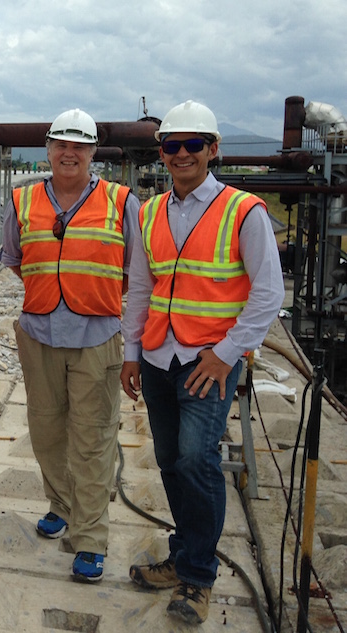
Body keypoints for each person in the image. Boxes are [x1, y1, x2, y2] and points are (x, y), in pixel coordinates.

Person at [120, 100, 283, 624]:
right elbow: (142, 288)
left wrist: (226, 354)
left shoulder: (244, 211)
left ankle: (196, 576)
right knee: (169, 459)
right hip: (159, 357)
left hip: (208, 360)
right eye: (172, 145)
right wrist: (131, 353)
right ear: (161, 153)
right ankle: (187, 553)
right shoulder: (149, 213)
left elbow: (268, 294)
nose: (182, 154)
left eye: (194, 144)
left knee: (196, 459)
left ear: (213, 150)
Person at [0, 108, 139, 583]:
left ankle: (90, 538)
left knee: (93, 440)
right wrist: (51, 293)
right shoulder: (21, 202)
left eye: (79, 145)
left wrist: (92, 295)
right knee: (45, 432)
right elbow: (15, 260)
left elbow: (137, 274)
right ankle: (60, 505)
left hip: (97, 337)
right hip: (39, 335)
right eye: (62, 144)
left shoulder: (122, 202)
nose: (69, 153)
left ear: (92, 152)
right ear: (48, 148)